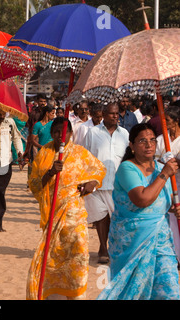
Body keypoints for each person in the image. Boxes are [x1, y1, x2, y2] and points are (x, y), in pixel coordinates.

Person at [97, 123, 180, 300]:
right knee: (133, 293)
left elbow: (161, 202)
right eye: (142, 141)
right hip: (133, 242)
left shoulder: (159, 167)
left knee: (170, 291)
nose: (149, 145)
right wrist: (165, 174)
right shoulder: (128, 168)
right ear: (132, 146)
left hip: (160, 240)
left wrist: (175, 208)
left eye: (152, 140)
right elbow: (142, 199)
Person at [28, 117, 106, 300]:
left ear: (70, 133)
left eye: (64, 132)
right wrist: (50, 172)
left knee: (78, 253)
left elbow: (99, 170)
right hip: (53, 213)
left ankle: (76, 295)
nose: (59, 136)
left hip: (75, 213)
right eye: (55, 132)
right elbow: (34, 185)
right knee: (52, 258)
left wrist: (91, 184)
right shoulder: (43, 154)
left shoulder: (80, 152)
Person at [82, 103, 129, 264]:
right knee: (101, 217)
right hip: (97, 183)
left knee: (117, 218)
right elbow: (85, 156)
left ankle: (114, 247)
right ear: (103, 114)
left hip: (118, 183)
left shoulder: (124, 134)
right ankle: (103, 247)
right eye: (111, 114)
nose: (115, 116)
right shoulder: (93, 133)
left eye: (117, 114)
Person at [154, 105, 180, 263]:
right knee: (169, 219)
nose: (165, 124)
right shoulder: (160, 139)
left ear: (176, 121)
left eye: (168, 121)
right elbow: (153, 161)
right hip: (165, 184)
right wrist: (163, 161)